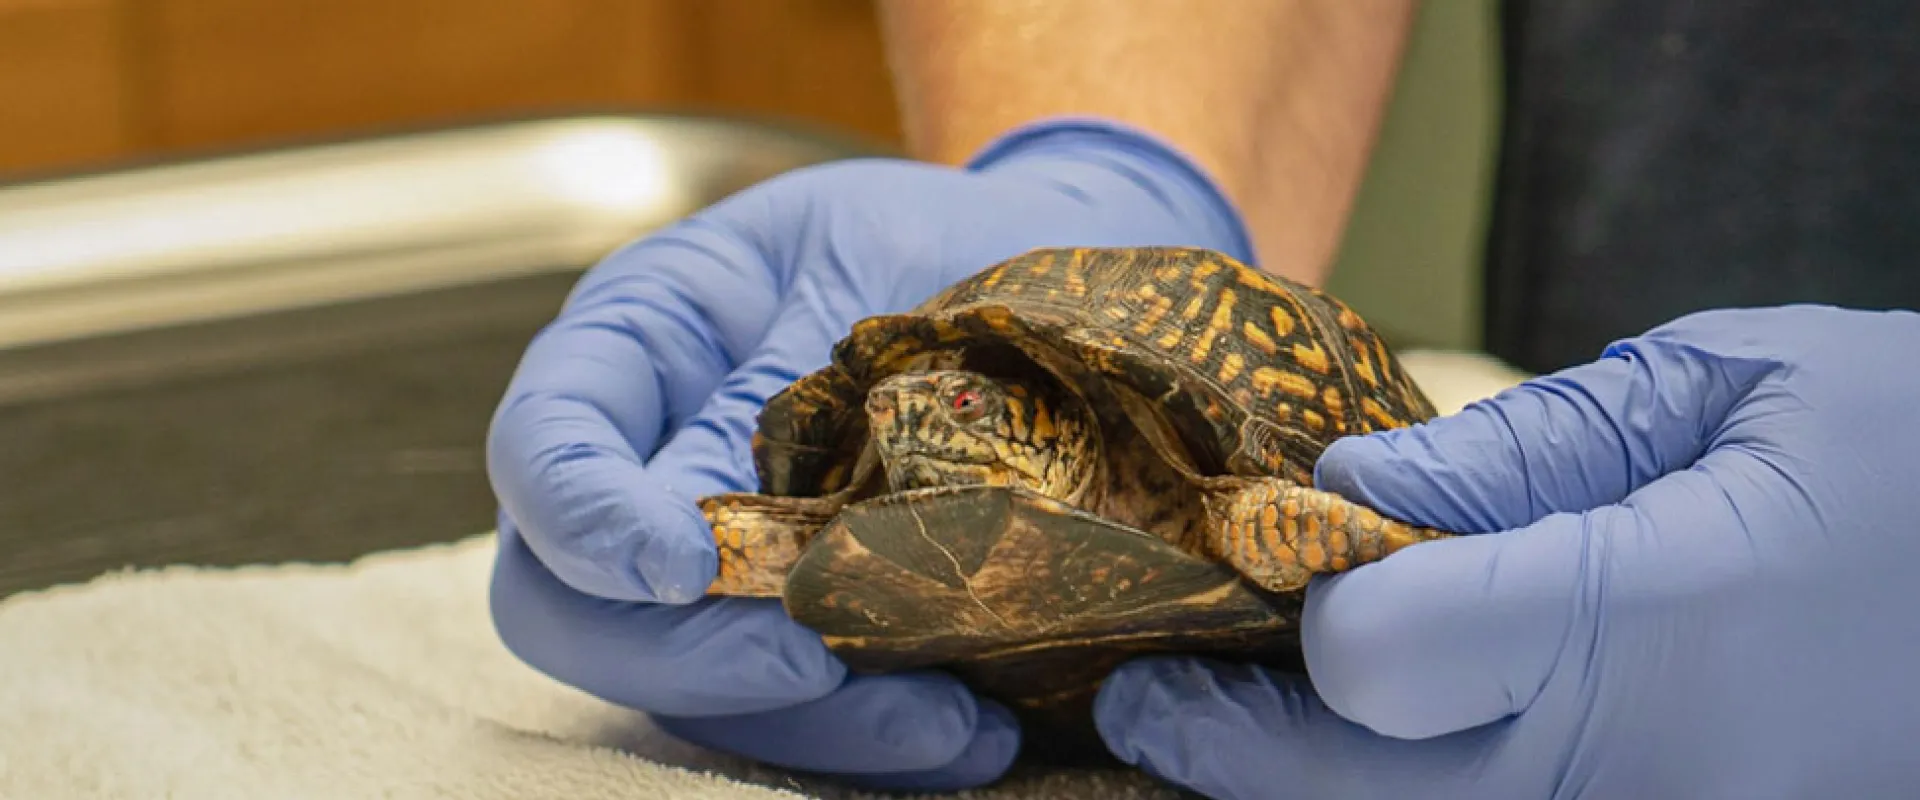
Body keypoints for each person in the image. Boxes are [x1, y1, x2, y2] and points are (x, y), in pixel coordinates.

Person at [482, 2, 1920, 797]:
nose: (928, 421)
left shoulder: (1217, 502)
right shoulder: (907, 419)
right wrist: (1112, 159)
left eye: (974, 412)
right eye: (925, 405)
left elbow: (1327, 527)